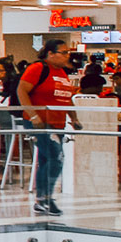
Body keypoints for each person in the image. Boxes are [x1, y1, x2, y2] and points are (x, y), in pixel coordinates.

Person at [18, 39, 81, 217]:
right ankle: (45, 198)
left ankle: (42, 199)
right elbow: (21, 91)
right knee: (57, 157)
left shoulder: (62, 73)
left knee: (48, 159)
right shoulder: (38, 68)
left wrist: (74, 118)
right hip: (40, 123)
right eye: (64, 52)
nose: (67, 56)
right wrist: (33, 115)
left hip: (57, 123)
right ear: (50, 54)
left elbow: (66, 97)